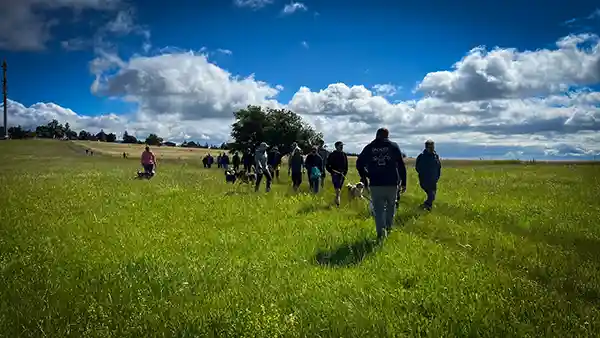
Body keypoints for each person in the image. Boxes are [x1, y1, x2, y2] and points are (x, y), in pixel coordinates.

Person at [356, 128, 407, 240]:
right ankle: (388, 229)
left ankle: (380, 233)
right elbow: (401, 165)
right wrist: (404, 182)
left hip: (376, 183)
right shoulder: (393, 146)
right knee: (391, 207)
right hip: (392, 183)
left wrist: (366, 175)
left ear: (376, 135)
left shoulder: (369, 147)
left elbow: (359, 163)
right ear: (387, 136)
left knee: (378, 210)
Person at [415, 140, 442, 211]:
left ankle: (427, 208)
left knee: (432, 196)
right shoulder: (422, 157)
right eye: (431, 146)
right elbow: (417, 168)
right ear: (426, 147)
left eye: (433, 146)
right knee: (431, 196)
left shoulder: (436, 156)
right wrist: (424, 174)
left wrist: (437, 176)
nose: (433, 148)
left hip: (434, 180)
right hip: (425, 180)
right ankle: (423, 207)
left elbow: (438, 167)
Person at [326, 141, 349, 207]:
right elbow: (327, 165)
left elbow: (346, 165)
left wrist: (345, 173)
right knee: (337, 189)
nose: (342, 147)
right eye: (340, 145)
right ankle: (338, 203)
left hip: (342, 174)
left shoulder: (344, 154)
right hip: (335, 174)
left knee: (339, 189)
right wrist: (332, 172)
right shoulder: (332, 154)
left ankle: (336, 202)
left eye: (342, 145)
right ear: (336, 147)